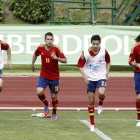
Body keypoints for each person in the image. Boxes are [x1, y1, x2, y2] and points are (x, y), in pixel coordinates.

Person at [77, 35, 110, 131]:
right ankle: (92, 123)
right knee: (91, 101)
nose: (95, 45)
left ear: (99, 43)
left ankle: (100, 105)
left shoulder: (104, 52)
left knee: (101, 93)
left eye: (97, 44)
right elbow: (80, 66)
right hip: (90, 78)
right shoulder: (86, 53)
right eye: (93, 44)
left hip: (101, 77)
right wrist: (84, 76)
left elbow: (108, 62)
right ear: (91, 43)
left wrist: (107, 72)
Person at [31, 32, 67, 121]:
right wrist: (32, 64)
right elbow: (35, 54)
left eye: (51, 39)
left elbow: (65, 60)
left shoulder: (57, 49)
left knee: (54, 96)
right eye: (48, 39)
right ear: (45, 40)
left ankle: (54, 113)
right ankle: (46, 104)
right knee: (39, 91)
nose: (49, 41)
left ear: (53, 40)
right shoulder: (40, 48)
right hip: (43, 75)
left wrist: (57, 58)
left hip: (54, 77)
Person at [129, 34, 140, 126]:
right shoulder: (135, 47)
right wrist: (137, 64)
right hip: (138, 73)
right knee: (139, 98)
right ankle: (139, 119)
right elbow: (130, 61)